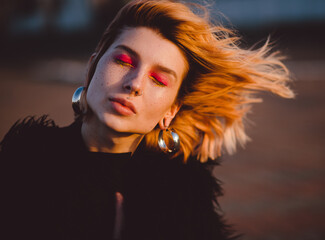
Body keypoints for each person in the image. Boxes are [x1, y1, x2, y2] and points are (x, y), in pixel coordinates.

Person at [0, 0, 294, 239]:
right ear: (92, 69)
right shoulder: (24, 161)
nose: (136, 83)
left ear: (171, 111)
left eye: (159, 79)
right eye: (124, 61)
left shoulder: (184, 202)